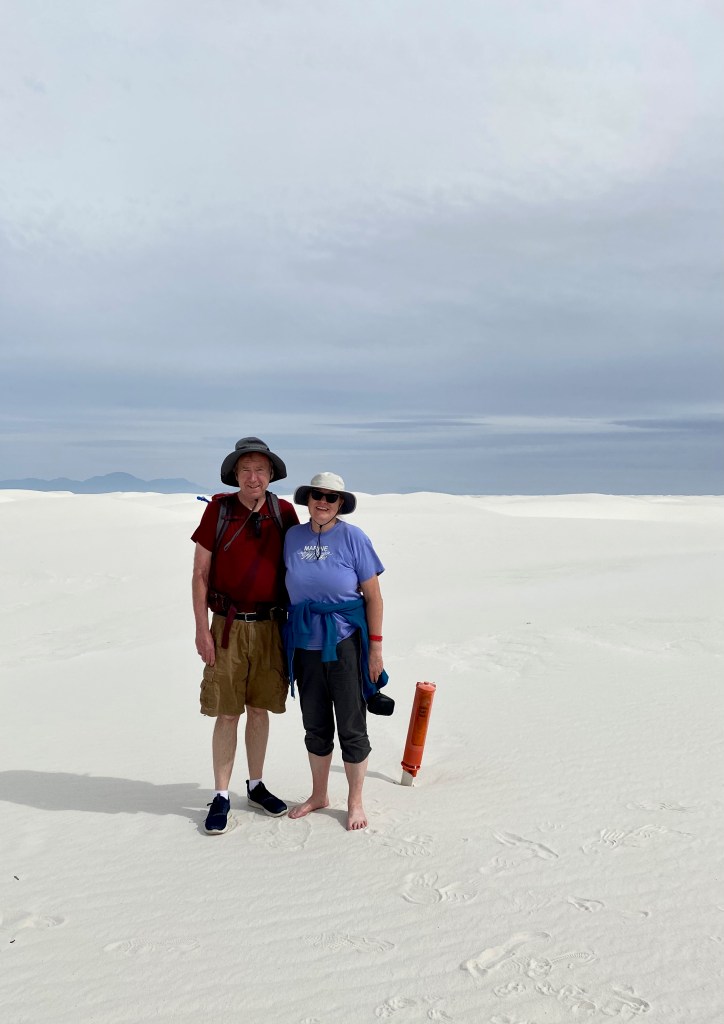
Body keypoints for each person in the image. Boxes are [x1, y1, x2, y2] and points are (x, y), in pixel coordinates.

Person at [191, 437, 299, 835]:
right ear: (235, 474)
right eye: (246, 470)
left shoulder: (283, 512)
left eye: (260, 470)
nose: (254, 477)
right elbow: (200, 573)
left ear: (271, 475)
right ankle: (221, 794)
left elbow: (301, 563)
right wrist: (201, 629)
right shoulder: (219, 511)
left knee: (259, 709)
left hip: (271, 626)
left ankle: (256, 786)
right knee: (227, 711)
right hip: (227, 627)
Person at [283, 472, 388, 831]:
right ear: (308, 499)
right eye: (317, 495)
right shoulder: (292, 537)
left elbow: (373, 596)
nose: (323, 502)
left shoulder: (354, 537)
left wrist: (375, 649)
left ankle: (355, 801)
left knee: (351, 725)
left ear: (340, 503)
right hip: (304, 644)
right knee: (315, 724)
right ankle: (319, 795)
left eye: (331, 497)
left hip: (344, 642)